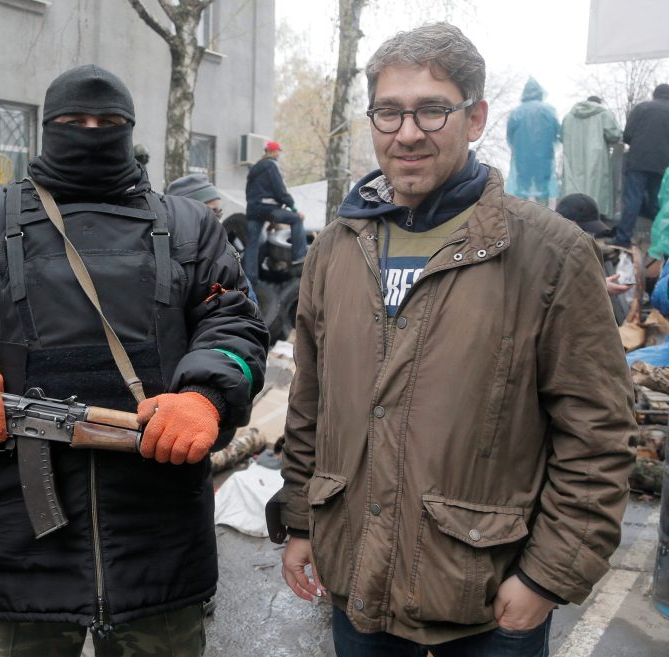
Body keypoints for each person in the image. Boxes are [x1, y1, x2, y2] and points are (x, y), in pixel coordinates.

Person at [266, 23, 636, 657]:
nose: (407, 132)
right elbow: (311, 405)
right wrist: (301, 520)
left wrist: (547, 575)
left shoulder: (548, 254)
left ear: (475, 117)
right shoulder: (334, 250)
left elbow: (598, 436)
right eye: (389, 111)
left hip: (486, 606)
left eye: (432, 109)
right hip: (356, 591)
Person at [0, 64, 268, 656]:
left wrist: (206, 394)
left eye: (110, 122)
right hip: (16, 552)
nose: (92, 132)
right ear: (48, 128)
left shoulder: (190, 229)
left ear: (130, 129)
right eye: (74, 121)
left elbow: (239, 326)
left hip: (160, 548)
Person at [166, 172, 259, 306]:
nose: (217, 222)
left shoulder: (226, 261)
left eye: (219, 213)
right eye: (210, 213)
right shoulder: (162, 262)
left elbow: (251, 314)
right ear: (185, 216)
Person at [611, 84, 669, 248]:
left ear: (654, 94)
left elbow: (627, 135)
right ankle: (661, 242)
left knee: (632, 200)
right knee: (659, 204)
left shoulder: (642, 108)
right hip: (663, 166)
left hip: (638, 161)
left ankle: (623, 238)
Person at [243, 140, 308, 287]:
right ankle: (299, 257)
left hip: (253, 209)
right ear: (273, 152)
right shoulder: (272, 165)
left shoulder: (254, 168)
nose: (279, 154)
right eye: (278, 151)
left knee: (252, 244)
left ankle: (249, 280)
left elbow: (248, 191)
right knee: (296, 220)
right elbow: (280, 190)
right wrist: (293, 208)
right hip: (268, 208)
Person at [555, 193, 632, 296]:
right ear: (567, 222)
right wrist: (597, 287)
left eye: (591, 232)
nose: (589, 237)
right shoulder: (549, 252)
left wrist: (599, 284)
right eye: (584, 230)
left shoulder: (570, 248)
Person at [560, 96, 622, 220]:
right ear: (599, 104)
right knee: (596, 188)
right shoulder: (603, 114)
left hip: (573, 158)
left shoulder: (569, 117)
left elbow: (562, 137)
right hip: (597, 159)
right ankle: (595, 221)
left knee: (574, 187)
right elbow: (615, 135)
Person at [506, 77, 560, 206]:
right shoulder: (548, 110)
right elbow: (557, 132)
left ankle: (522, 219)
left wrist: (518, 147)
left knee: (521, 192)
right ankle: (543, 220)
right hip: (544, 157)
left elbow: (510, 136)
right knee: (544, 189)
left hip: (522, 158)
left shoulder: (516, 112)